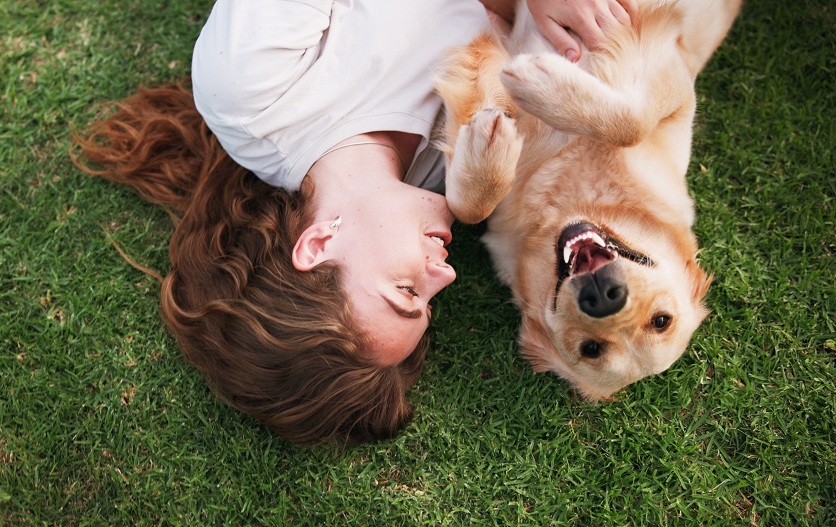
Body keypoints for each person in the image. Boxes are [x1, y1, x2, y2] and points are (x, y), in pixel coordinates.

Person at [74, 0, 635, 445]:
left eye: (405, 290)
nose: (446, 276)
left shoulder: (253, 90)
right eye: (430, 301)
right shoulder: (448, 175)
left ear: (318, 243)